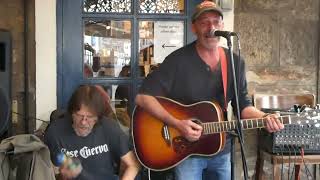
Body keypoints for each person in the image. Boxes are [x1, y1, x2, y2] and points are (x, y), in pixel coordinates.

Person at [134, 1, 284, 180]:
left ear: (222, 25)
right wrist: (176, 123)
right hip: (186, 151)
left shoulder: (234, 62)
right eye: (204, 22)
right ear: (193, 27)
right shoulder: (177, 61)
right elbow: (143, 98)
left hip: (222, 149)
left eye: (216, 21)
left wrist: (264, 118)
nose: (211, 27)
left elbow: (243, 106)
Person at [44, 85, 140, 180]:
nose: (83, 122)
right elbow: (50, 173)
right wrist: (63, 175)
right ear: (72, 113)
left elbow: (133, 165)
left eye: (89, 117)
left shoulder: (109, 127)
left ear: (97, 117)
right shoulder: (55, 132)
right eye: (79, 115)